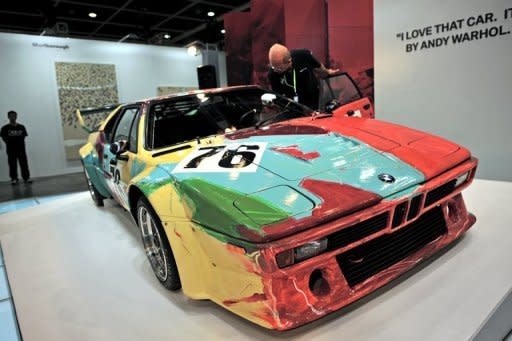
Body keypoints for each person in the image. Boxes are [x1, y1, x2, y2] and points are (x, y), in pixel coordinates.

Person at [267, 43, 339, 109]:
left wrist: (327, 72)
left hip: (313, 97)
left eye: (279, 68)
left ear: (289, 61)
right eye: (273, 67)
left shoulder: (303, 55)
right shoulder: (272, 74)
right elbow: (278, 96)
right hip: (293, 106)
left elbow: (318, 67)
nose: (275, 70)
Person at [1, 111, 32, 184]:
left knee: (24, 163)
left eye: (14, 116)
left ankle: (26, 178)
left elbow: (24, 136)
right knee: (12, 164)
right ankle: (14, 178)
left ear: (16, 116)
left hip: (21, 149)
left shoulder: (21, 127)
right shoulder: (4, 128)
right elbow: (3, 138)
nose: (13, 117)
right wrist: (10, 143)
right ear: (8, 117)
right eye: (11, 116)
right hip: (11, 150)